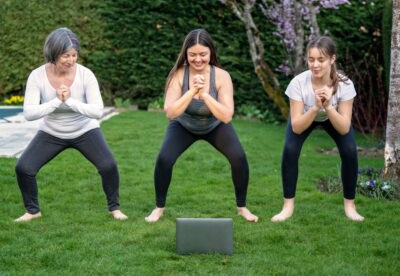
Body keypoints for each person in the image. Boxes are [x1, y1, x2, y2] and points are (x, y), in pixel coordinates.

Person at [14, 27, 127, 222]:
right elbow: (29, 113)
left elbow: (97, 111)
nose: (71, 60)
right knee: (24, 167)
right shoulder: (37, 76)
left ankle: (114, 209)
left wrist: (70, 101)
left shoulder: (85, 75)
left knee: (109, 166)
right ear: (53, 53)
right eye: (66, 55)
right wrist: (57, 102)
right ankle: (33, 211)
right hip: (51, 132)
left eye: (74, 55)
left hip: (85, 130)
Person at [145, 29, 258, 223]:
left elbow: (226, 116)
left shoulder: (221, 76)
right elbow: (171, 112)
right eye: (193, 55)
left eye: (203, 54)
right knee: (164, 159)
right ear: (186, 54)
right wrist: (192, 91)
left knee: (238, 158)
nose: (198, 59)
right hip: (183, 125)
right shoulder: (178, 75)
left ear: (211, 53)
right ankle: (159, 208)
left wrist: (205, 94)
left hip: (215, 125)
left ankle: (242, 207)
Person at [271, 36, 364, 222]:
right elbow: (297, 127)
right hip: (306, 115)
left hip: (333, 116)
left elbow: (344, 128)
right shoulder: (298, 83)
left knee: (349, 150)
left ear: (332, 59)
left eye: (321, 60)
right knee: (290, 149)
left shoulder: (345, 84)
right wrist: (315, 107)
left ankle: (350, 206)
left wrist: (328, 106)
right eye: (311, 59)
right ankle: (287, 206)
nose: (315, 64)